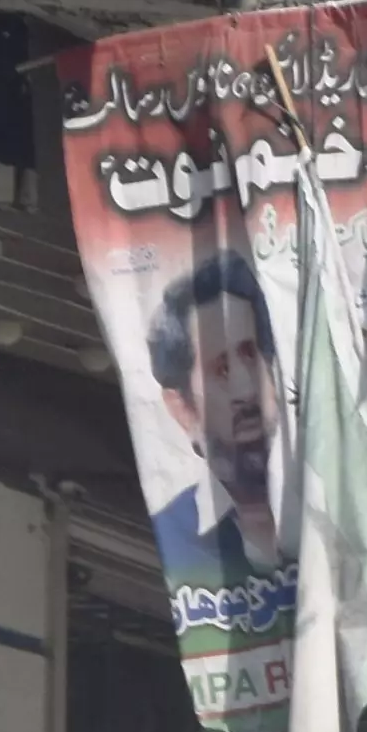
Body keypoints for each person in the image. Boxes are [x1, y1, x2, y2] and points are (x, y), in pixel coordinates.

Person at [147, 249, 281, 589]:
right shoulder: (175, 534)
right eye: (220, 369)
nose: (246, 388)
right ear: (182, 409)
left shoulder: (332, 503)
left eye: (251, 354)